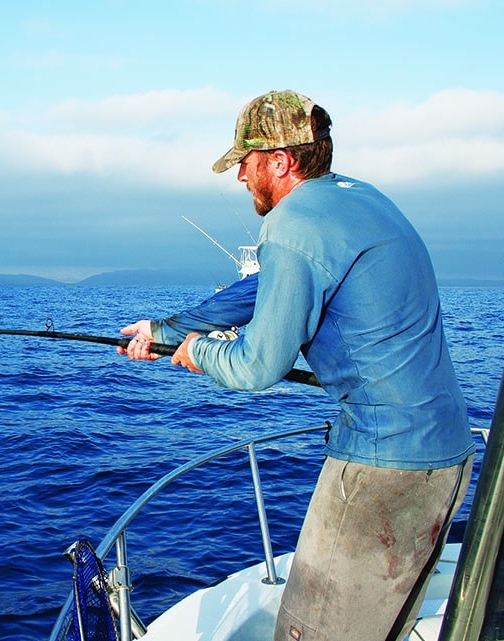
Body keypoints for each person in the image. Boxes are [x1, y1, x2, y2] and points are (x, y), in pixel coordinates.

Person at [119, 90, 475, 641]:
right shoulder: (359, 200)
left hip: (382, 470)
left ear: (280, 162)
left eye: (246, 162)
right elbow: (266, 288)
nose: (240, 177)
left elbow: (258, 364)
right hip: (443, 455)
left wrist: (195, 352)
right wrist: (165, 330)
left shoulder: (294, 222)